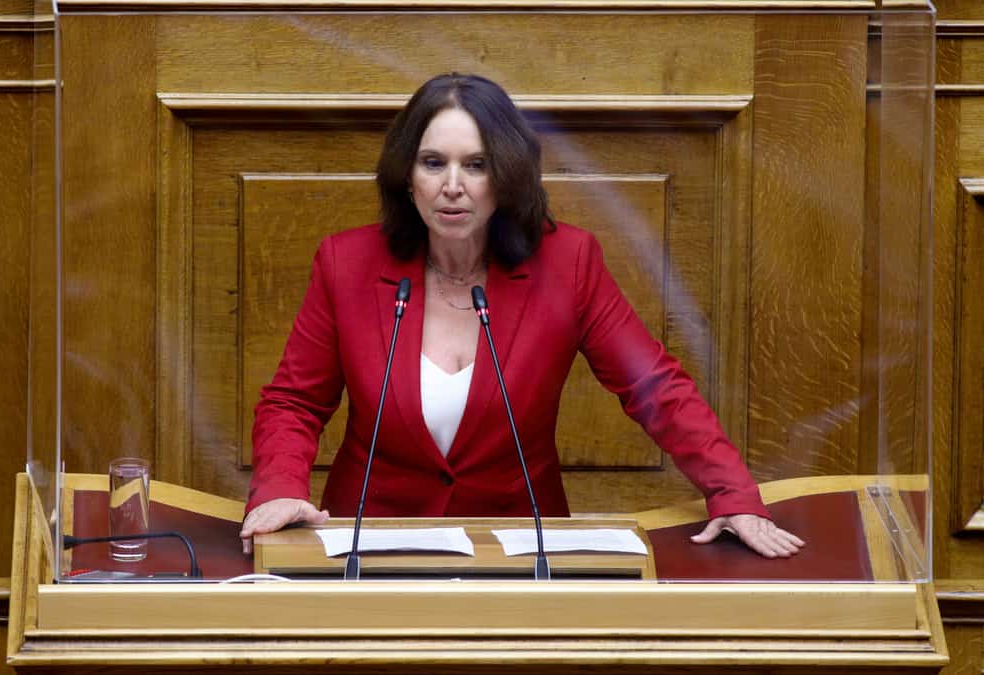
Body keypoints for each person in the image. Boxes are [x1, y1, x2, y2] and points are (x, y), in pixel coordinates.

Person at [240, 73, 804, 559]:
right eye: (433, 163)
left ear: (506, 175)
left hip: (518, 547)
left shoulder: (568, 263)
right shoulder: (347, 263)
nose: (453, 186)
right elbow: (295, 401)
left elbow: (653, 387)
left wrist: (732, 495)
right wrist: (280, 489)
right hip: (373, 544)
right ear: (407, 176)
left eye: (476, 165)